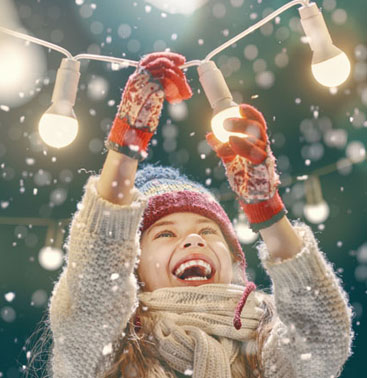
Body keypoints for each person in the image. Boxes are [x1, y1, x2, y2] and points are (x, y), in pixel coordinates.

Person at [29, 52, 353, 377]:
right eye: (166, 233)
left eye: (209, 231)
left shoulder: (266, 352)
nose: (194, 239)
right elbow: (95, 282)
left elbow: (323, 335)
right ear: (132, 266)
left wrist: (266, 209)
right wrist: (126, 144)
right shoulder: (108, 351)